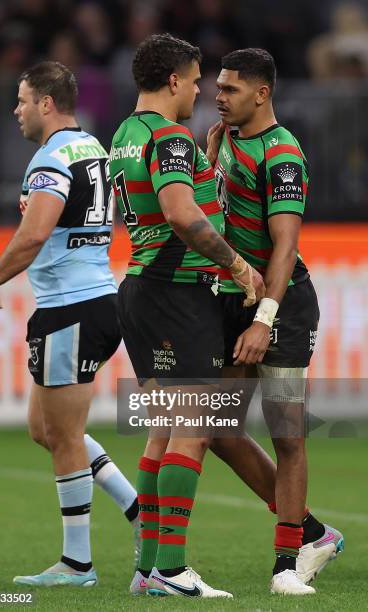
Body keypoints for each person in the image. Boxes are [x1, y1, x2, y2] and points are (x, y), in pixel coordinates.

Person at [109, 33, 265, 599]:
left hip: (142, 289)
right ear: (173, 80)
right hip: (175, 291)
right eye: (196, 80)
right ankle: (171, 570)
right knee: (194, 429)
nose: (200, 90)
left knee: (163, 430)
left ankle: (149, 568)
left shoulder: (128, 132)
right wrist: (239, 265)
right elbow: (180, 213)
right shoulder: (169, 135)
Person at [0, 61, 140, 587]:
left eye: (23, 100)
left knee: (64, 436)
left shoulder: (49, 159)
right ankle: (140, 512)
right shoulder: (91, 146)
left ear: (47, 103)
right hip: (89, 298)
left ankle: (78, 564)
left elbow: (32, 235)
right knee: (45, 430)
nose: (16, 110)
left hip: (71, 306)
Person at [206, 48, 344, 595]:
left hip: (281, 303)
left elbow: (285, 248)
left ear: (262, 94)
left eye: (230, 89)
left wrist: (265, 320)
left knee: (287, 433)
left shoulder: (282, 154)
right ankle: (311, 530)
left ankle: (286, 564)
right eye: (216, 86)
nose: (218, 96)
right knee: (216, 429)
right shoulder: (223, 140)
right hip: (236, 297)